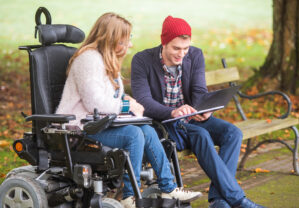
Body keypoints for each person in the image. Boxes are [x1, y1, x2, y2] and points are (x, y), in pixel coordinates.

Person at [56, 13, 202, 208]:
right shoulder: (88, 59)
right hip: (78, 128)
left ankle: (169, 187)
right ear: (111, 38)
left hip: (100, 123)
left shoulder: (107, 59)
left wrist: (127, 100)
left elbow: (110, 98)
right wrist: (127, 105)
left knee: (148, 130)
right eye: (126, 40)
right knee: (133, 134)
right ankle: (129, 196)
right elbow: (95, 103)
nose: (130, 45)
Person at [131, 15, 265, 208]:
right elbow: (144, 102)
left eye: (185, 48)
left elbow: (199, 92)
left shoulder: (194, 55)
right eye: (176, 48)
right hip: (164, 122)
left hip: (191, 117)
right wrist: (173, 112)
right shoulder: (142, 60)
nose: (182, 54)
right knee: (201, 134)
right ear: (164, 42)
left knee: (232, 132)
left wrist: (205, 109)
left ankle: (219, 199)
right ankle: (237, 200)